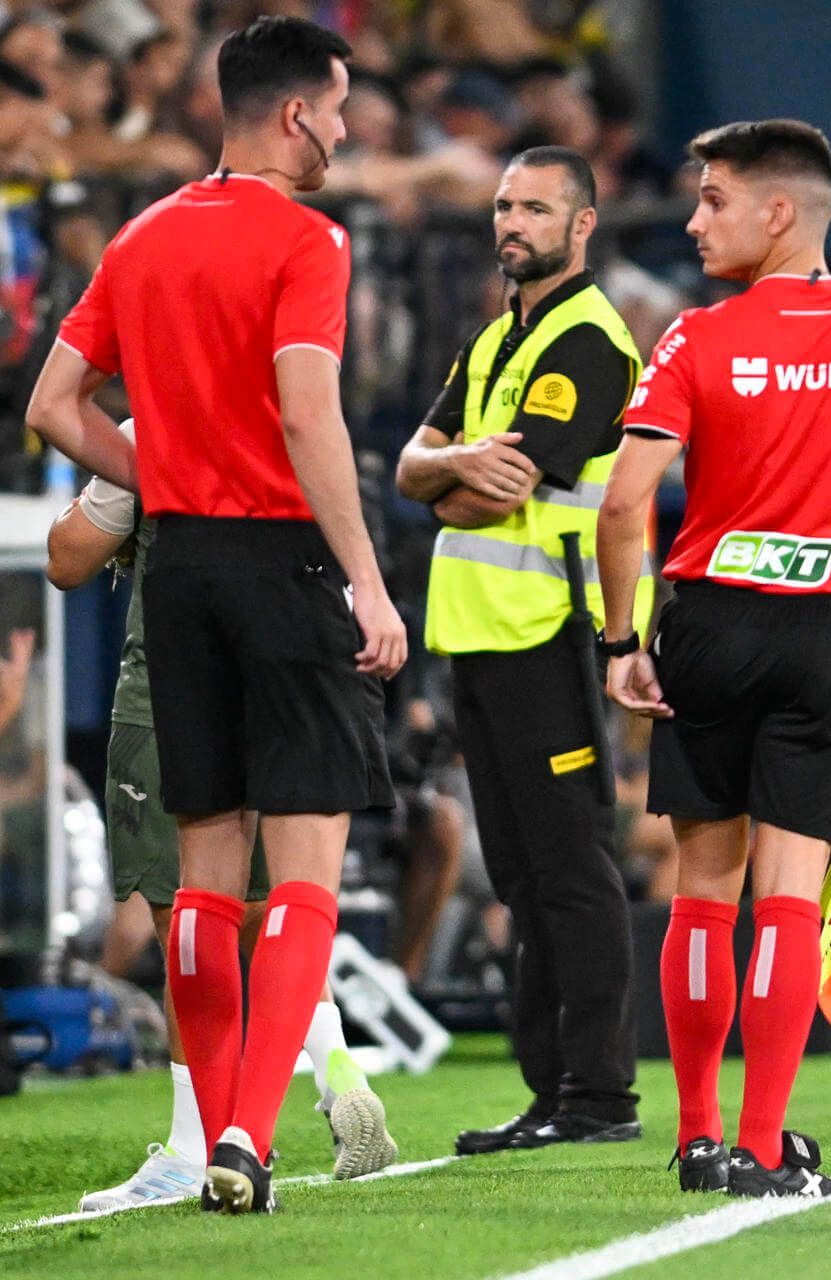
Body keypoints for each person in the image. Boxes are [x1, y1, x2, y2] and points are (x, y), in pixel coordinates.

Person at [25, 16, 407, 1215]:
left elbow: (52, 404)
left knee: (201, 874)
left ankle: (208, 1137)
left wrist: (157, 468)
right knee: (301, 872)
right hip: (286, 566)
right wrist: (366, 574)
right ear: (296, 115)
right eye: (337, 110)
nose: (343, 131)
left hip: (176, 571)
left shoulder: (139, 239)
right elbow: (308, 415)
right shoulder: (308, 241)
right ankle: (244, 1130)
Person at [597, 118, 831, 1199]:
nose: (694, 219)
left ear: (778, 212)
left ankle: (700, 1134)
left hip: (708, 625)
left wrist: (622, 639)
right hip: (826, 639)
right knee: (790, 897)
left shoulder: (696, 338)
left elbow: (625, 500)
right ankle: (764, 1144)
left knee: (703, 890)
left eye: (713, 200)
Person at [46, 420, 397, 1210]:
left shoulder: (152, 430)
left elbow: (68, 556)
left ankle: (196, 1139)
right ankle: (333, 1064)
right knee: (282, 900)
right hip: (299, 656)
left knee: (188, 907)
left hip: (174, 685)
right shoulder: (291, 417)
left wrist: (93, 501)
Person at [395, 145, 645, 1154]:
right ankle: (551, 1090)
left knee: (573, 868)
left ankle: (601, 1096)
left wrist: (441, 475)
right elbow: (422, 467)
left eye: (535, 208)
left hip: (551, 634)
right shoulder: (499, 338)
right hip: (481, 636)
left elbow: (491, 484)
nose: (512, 223)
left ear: (582, 226)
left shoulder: (588, 341)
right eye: (504, 205)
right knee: (522, 876)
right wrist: (450, 467)